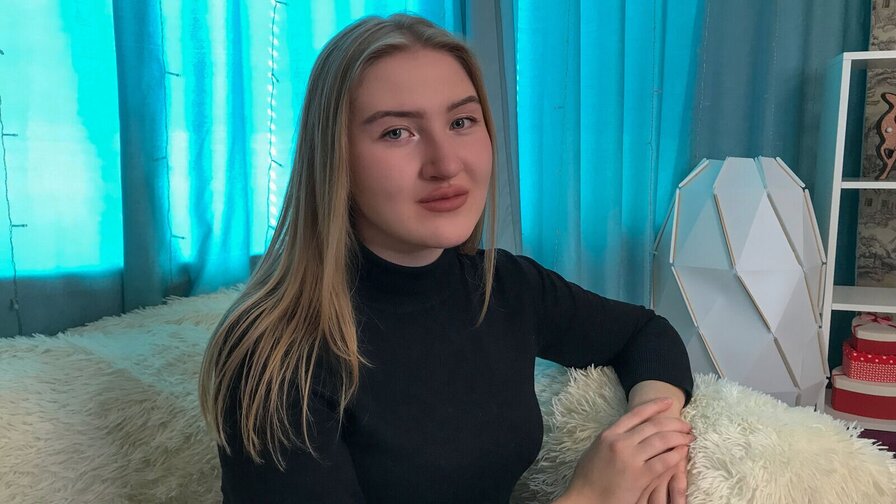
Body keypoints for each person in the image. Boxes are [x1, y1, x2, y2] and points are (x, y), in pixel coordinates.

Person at [199, 13, 694, 504]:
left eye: (461, 122)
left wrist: (653, 431)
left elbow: (645, 333)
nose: (446, 163)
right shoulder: (275, 355)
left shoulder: (505, 286)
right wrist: (590, 495)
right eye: (397, 132)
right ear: (335, 159)